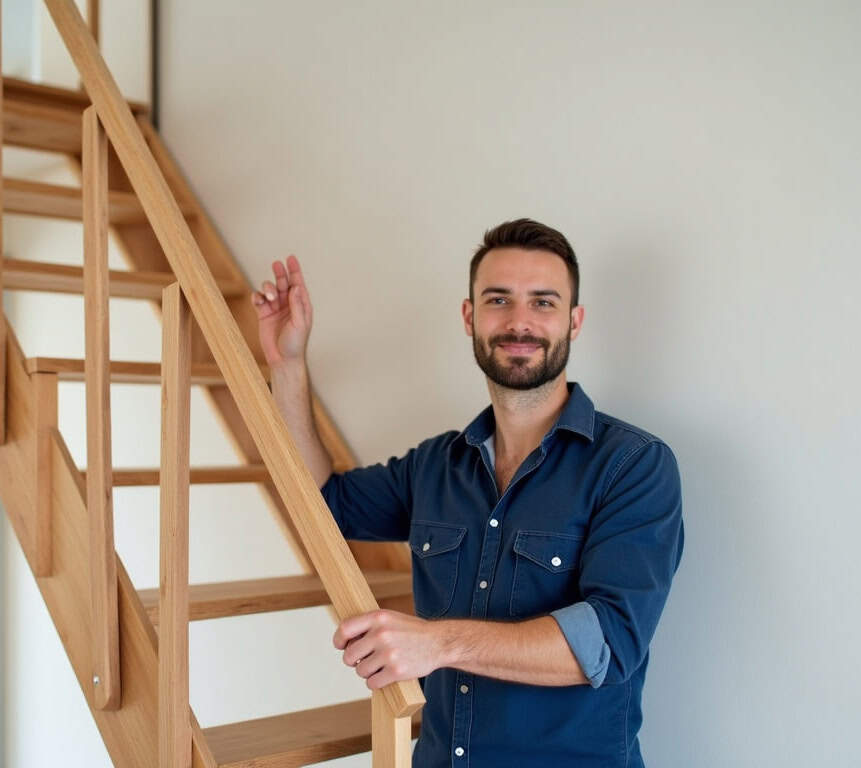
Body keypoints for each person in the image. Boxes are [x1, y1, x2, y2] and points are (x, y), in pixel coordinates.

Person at [250, 218, 684, 767]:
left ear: (574, 322)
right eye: (498, 299)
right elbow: (322, 506)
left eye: (543, 303)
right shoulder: (435, 464)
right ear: (469, 316)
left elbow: (608, 641)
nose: (520, 321)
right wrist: (288, 367)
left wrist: (439, 642)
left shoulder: (633, 466)